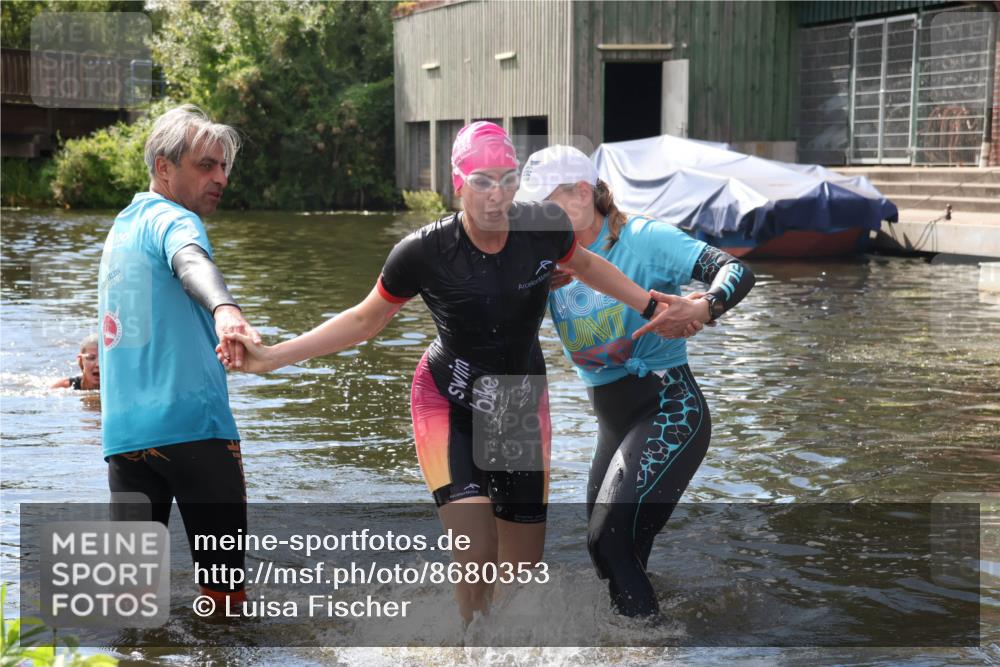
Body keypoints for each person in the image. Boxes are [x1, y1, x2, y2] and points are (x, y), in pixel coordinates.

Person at [219, 122, 692, 624]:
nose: (497, 195)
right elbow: (364, 320)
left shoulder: (544, 227)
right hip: (448, 398)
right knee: (476, 554)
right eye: (483, 181)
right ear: (457, 183)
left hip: (515, 402)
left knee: (521, 577)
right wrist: (270, 357)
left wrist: (652, 305)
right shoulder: (423, 252)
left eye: (508, 180)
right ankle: (468, 651)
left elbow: (592, 267)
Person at [514, 145, 755, 617]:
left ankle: (647, 650)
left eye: (547, 202)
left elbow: (736, 269)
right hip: (614, 424)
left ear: (582, 194)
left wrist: (705, 307)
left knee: (609, 541)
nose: (536, 216)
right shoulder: (544, 257)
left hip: (668, 410)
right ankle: (655, 634)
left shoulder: (643, 239)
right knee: (610, 554)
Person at [98, 104, 260, 609]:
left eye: (224, 167)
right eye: (205, 166)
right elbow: (191, 259)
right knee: (225, 604)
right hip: (196, 436)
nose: (221, 178)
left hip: (125, 442)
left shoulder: (120, 230)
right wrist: (226, 308)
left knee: (134, 607)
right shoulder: (174, 219)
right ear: (164, 168)